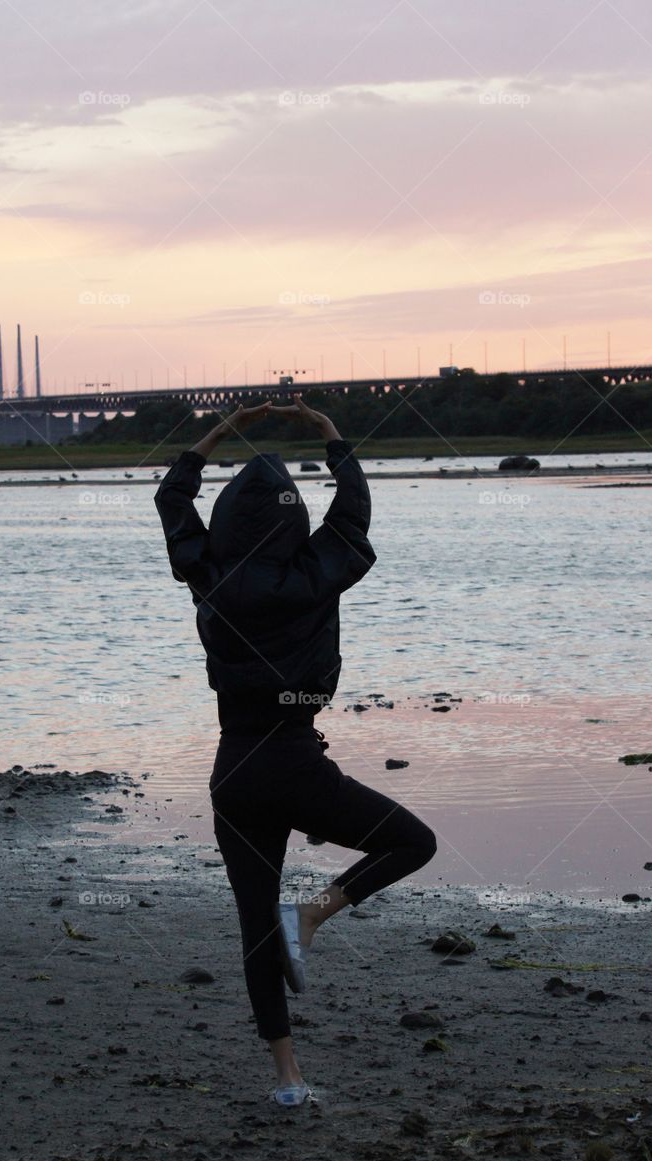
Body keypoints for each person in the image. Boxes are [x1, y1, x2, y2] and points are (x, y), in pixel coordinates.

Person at [154, 393, 437, 1106]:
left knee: (255, 924)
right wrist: (330, 435)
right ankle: (312, 912)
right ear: (292, 521)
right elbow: (353, 511)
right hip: (294, 762)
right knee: (411, 842)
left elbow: (171, 499)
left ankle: (287, 1080)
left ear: (225, 521)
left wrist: (221, 431)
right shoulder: (317, 571)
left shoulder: (208, 573)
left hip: (234, 769)